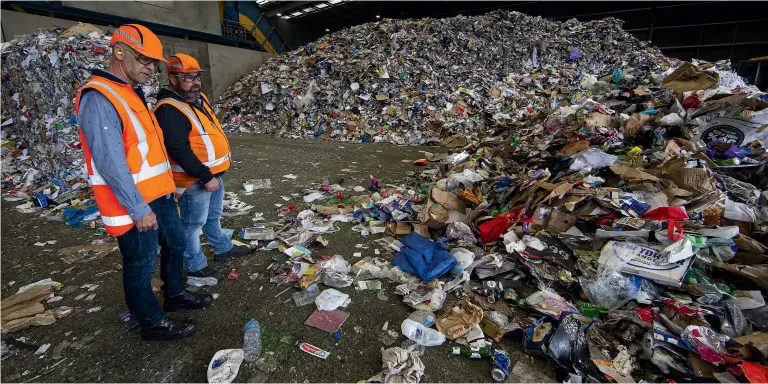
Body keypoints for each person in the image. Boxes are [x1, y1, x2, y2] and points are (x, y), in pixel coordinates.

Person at [75, 24, 213, 341]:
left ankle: (175, 294)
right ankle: (151, 322)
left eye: (154, 63)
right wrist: (138, 209)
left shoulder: (130, 92)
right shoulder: (99, 97)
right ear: (119, 52)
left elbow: (145, 151)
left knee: (176, 244)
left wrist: (168, 188)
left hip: (158, 196)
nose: (151, 69)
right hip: (133, 205)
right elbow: (110, 162)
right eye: (145, 60)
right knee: (140, 264)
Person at [152, 53, 249, 281]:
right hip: (194, 180)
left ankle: (222, 248)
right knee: (192, 224)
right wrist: (206, 176)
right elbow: (179, 149)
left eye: (197, 77)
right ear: (173, 79)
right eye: (188, 77)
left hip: (212, 174)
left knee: (213, 217)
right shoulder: (169, 109)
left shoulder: (198, 99)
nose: (195, 82)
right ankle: (195, 264)